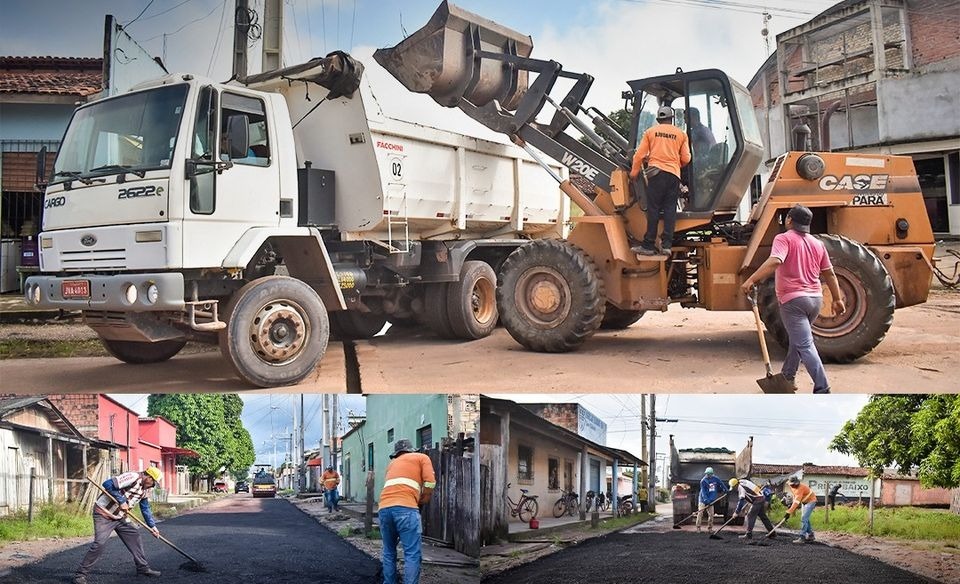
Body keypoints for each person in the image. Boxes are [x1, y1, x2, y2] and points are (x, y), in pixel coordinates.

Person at [740, 204, 846, 393]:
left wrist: (751, 279)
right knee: (798, 340)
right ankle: (788, 376)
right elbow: (829, 273)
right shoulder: (817, 243)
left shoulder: (783, 238)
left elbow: (775, 261)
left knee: (805, 344)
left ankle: (823, 388)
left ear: (789, 220)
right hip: (815, 300)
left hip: (793, 302)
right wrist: (837, 299)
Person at [73, 468, 163, 584]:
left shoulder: (145, 490)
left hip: (120, 517)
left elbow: (145, 508)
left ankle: (143, 568)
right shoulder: (133, 477)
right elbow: (108, 484)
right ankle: (80, 575)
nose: (153, 486)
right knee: (99, 544)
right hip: (104, 513)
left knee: (134, 536)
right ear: (149, 478)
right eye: (153, 483)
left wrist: (152, 526)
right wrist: (121, 500)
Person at [629, 104, 692, 256]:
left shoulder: (651, 132)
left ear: (658, 119)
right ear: (672, 119)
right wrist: (676, 165)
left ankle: (649, 245)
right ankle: (667, 245)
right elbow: (686, 158)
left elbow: (638, 156)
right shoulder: (681, 134)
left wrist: (634, 173)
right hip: (673, 176)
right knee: (670, 209)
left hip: (656, 175)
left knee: (654, 209)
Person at [379, 439, 436, 584]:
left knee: (389, 551)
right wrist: (424, 499)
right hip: (406, 509)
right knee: (411, 553)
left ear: (396, 454)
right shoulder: (422, 457)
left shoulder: (391, 465)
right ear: (411, 450)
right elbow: (430, 482)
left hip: (384, 509)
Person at [784, 475, 818, 543]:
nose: (793, 486)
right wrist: (790, 506)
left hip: (811, 501)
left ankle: (802, 537)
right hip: (804, 501)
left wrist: (789, 512)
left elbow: (796, 502)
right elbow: (794, 496)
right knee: (805, 519)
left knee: (803, 518)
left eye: (795, 484)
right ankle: (811, 535)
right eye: (792, 484)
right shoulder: (790, 485)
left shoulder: (800, 488)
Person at [696, 467, 728, 532]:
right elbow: (703, 492)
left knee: (711, 514)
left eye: (709, 474)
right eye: (707, 474)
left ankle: (710, 528)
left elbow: (721, 484)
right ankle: (698, 527)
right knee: (700, 513)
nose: (708, 475)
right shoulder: (703, 481)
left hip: (711, 500)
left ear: (712, 474)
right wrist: (706, 500)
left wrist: (725, 489)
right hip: (703, 500)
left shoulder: (716, 479)